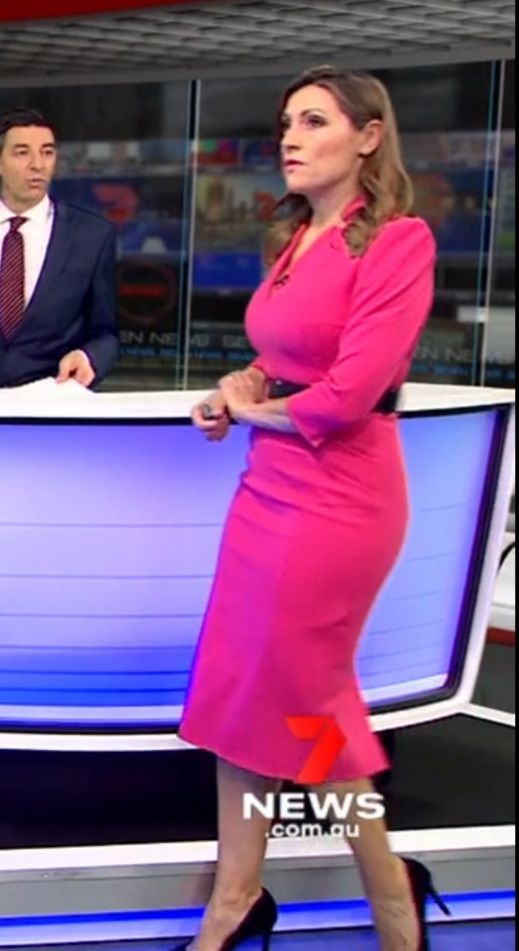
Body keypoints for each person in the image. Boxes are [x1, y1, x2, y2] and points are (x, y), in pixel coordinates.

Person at [177, 67, 448, 951]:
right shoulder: (294, 237)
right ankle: (235, 895)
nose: (289, 137)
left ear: (368, 137)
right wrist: (240, 387)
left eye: (314, 120)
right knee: (238, 688)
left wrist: (250, 408)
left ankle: (391, 894)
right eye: (286, 121)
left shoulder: (397, 241)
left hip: (340, 497)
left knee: (307, 705)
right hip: (268, 486)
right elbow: (285, 359)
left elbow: (346, 395)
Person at [0, 108, 119, 389]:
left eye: (47, 152)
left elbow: (106, 334)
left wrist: (89, 358)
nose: (37, 165)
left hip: (50, 400)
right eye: (22, 153)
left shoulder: (92, 236)